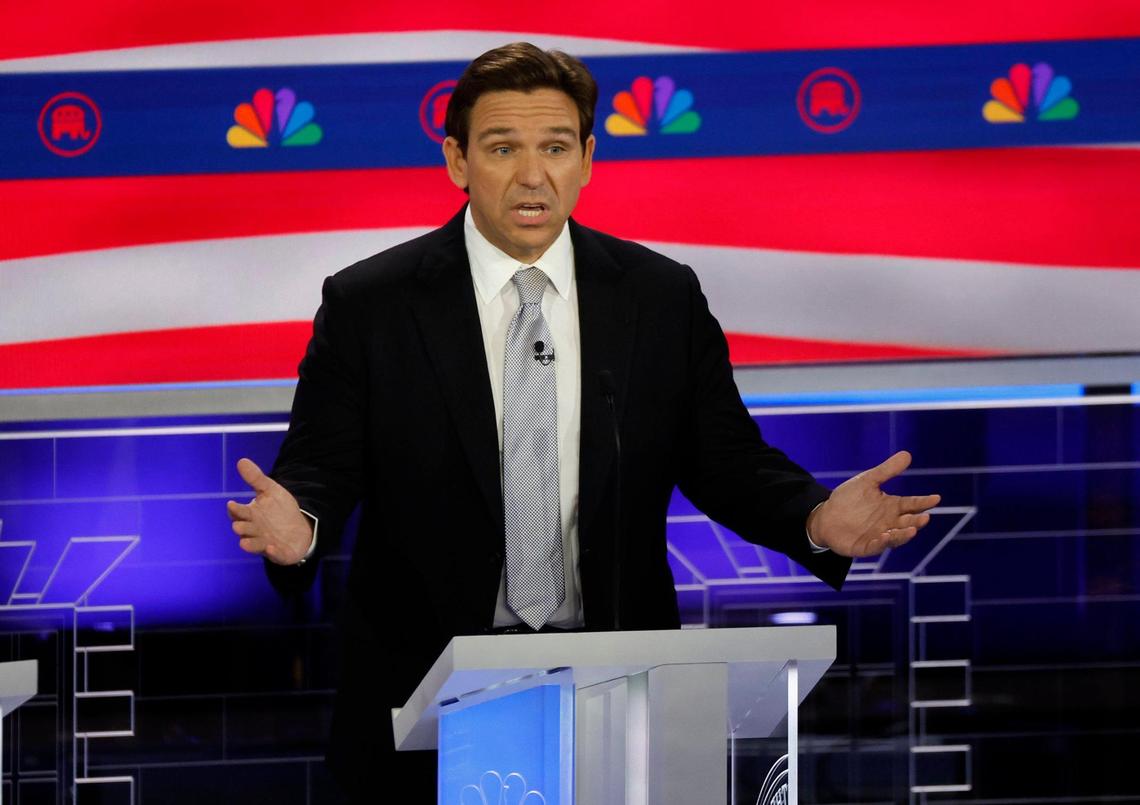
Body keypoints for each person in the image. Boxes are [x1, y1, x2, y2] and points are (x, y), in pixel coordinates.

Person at [226, 42, 940, 803]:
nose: (533, 175)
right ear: (457, 161)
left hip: (617, 691)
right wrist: (298, 526)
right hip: (426, 700)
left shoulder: (658, 296)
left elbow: (724, 458)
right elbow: (322, 467)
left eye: (556, 148)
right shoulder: (372, 303)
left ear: (588, 158)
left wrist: (817, 518)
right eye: (503, 148)